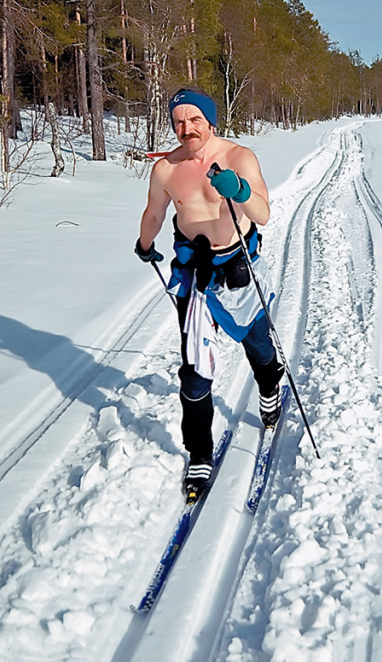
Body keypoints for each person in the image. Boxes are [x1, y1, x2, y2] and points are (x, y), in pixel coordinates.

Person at [135, 88, 284, 500]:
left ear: (211, 120)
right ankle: (199, 451)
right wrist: (145, 243)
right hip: (193, 274)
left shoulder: (239, 157)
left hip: (237, 266)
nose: (186, 128)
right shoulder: (166, 169)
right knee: (194, 369)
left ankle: (270, 387)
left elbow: (264, 214)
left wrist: (237, 190)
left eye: (194, 119)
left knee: (256, 342)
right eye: (179, 121)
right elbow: (155, 212)